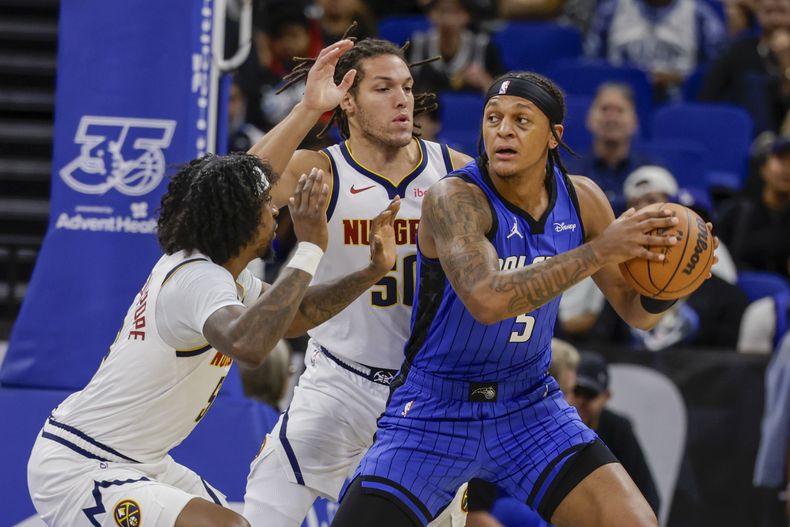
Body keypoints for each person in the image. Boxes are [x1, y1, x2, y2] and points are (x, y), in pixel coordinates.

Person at [331, 71, 712, 527]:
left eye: (520, 120)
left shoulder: (583, 199)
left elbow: (637, 313)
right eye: (493, 118)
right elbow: (487, 300)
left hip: (529, 406)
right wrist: (600, 250)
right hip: (434, 412)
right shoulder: (455, 198)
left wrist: (677, 282)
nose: (503, 130)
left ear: (555, 136)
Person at [26, 152, 400, 527]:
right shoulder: (197, 279)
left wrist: (372, 271)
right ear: (237, 218)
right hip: (81, 463)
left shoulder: (223, 278)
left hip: (139, 461)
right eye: (266, 205)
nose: (276, 212)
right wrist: (310, 248)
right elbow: (249, 345)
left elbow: (296, 314)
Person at [242, 38, 473, 526]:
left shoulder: (456, 172)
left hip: (426, 399)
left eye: (407, 88)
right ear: (347, 99)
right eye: (384, 88)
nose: (402, 100)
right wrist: (308, 109)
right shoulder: (323, 170)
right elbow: (242, 190)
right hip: (337, 384)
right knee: (262, 512)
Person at [568, 352, 661, 516]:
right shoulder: (555, 425)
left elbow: (648, 497)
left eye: (590, 394)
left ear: (606, 397)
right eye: (577, 391)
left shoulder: (618, 430)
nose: (581, 401)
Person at [585, 0, 726, 100]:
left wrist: (681, 79)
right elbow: (591, 64)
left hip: (676, 101)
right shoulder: (611, 10)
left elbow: (716, 72)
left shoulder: (700, 15)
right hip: (619, 99)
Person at [563, 83, 660, 214]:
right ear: (589, 119)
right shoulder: (570, 173)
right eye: (604, 109)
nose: (612, 118)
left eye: (619, 110)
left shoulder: (654, 173)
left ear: (635, 122)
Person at [700, 0, 790, 136]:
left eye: (782, 12)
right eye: (769, 12)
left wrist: (785, 62)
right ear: (758, 14)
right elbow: (707, 98)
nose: (775, 20)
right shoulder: (738, 50)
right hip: (746, 135)